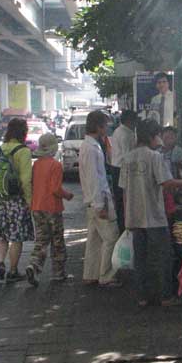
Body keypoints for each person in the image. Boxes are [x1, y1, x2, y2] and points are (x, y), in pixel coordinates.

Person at [121, 120, 182, 307]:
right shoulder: (155, 157)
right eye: (158, 135)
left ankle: (142, 297)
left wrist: (127, 217)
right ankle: (166, 296)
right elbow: (166, 183)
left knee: (140, 259)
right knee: (163, 257)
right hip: (154, 216)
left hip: (134, 216)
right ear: (152, 136)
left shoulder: (127, 158)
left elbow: (124, 190)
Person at [0, 117, 34, 284]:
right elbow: (25, 180)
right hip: (16, 201)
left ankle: (0, 263)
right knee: (16, 237)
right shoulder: (23, 151)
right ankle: (13, 271)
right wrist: (29, 201)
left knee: (2, 236)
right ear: (23, 132)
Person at [26, 133, 74, 287]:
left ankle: (34, 265)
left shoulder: (36, 165)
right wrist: (67, 195)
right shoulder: (56, 165)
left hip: (37, 206)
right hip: (52, 207)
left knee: (41, 239)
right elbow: (55, 189)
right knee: (57, 240)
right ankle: (58, 272)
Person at [79, 110, 120, 287]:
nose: (107, 129)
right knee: (111, 237)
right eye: (105, 125)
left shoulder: (90, 145)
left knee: (95, 239)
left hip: (93, 200)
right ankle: (107, 276)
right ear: (98, 126)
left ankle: (91, 274)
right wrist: (100, 205)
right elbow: (94, 179)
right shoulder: (91, 148)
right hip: (98, 201)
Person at [108, 110, 138, 233]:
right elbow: (128, 156)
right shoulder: (126, 134)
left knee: (120, 201)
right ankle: (125, 228)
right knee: (124, 201)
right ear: (130, 121)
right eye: (135, 121)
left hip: (117, 167)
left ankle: (123, 227)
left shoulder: (118, 131)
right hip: (122, 169)